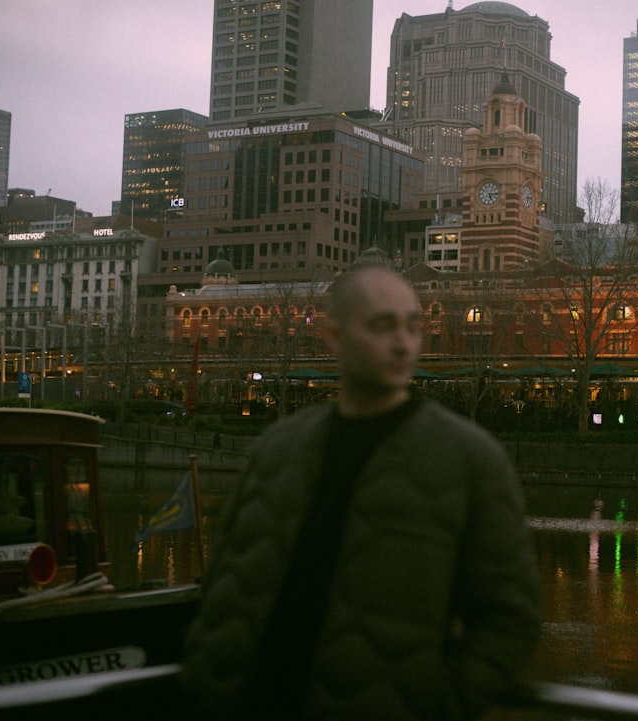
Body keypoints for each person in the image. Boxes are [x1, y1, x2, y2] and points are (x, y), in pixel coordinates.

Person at [180, 265, 540, 720]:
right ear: (333, 336)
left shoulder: (470, 460)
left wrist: (437, 705)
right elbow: (225, 590)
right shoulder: (275, 451)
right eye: (381, 325)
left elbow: (510, 620)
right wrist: (204, 683)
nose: (403, 343)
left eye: (413, 326)